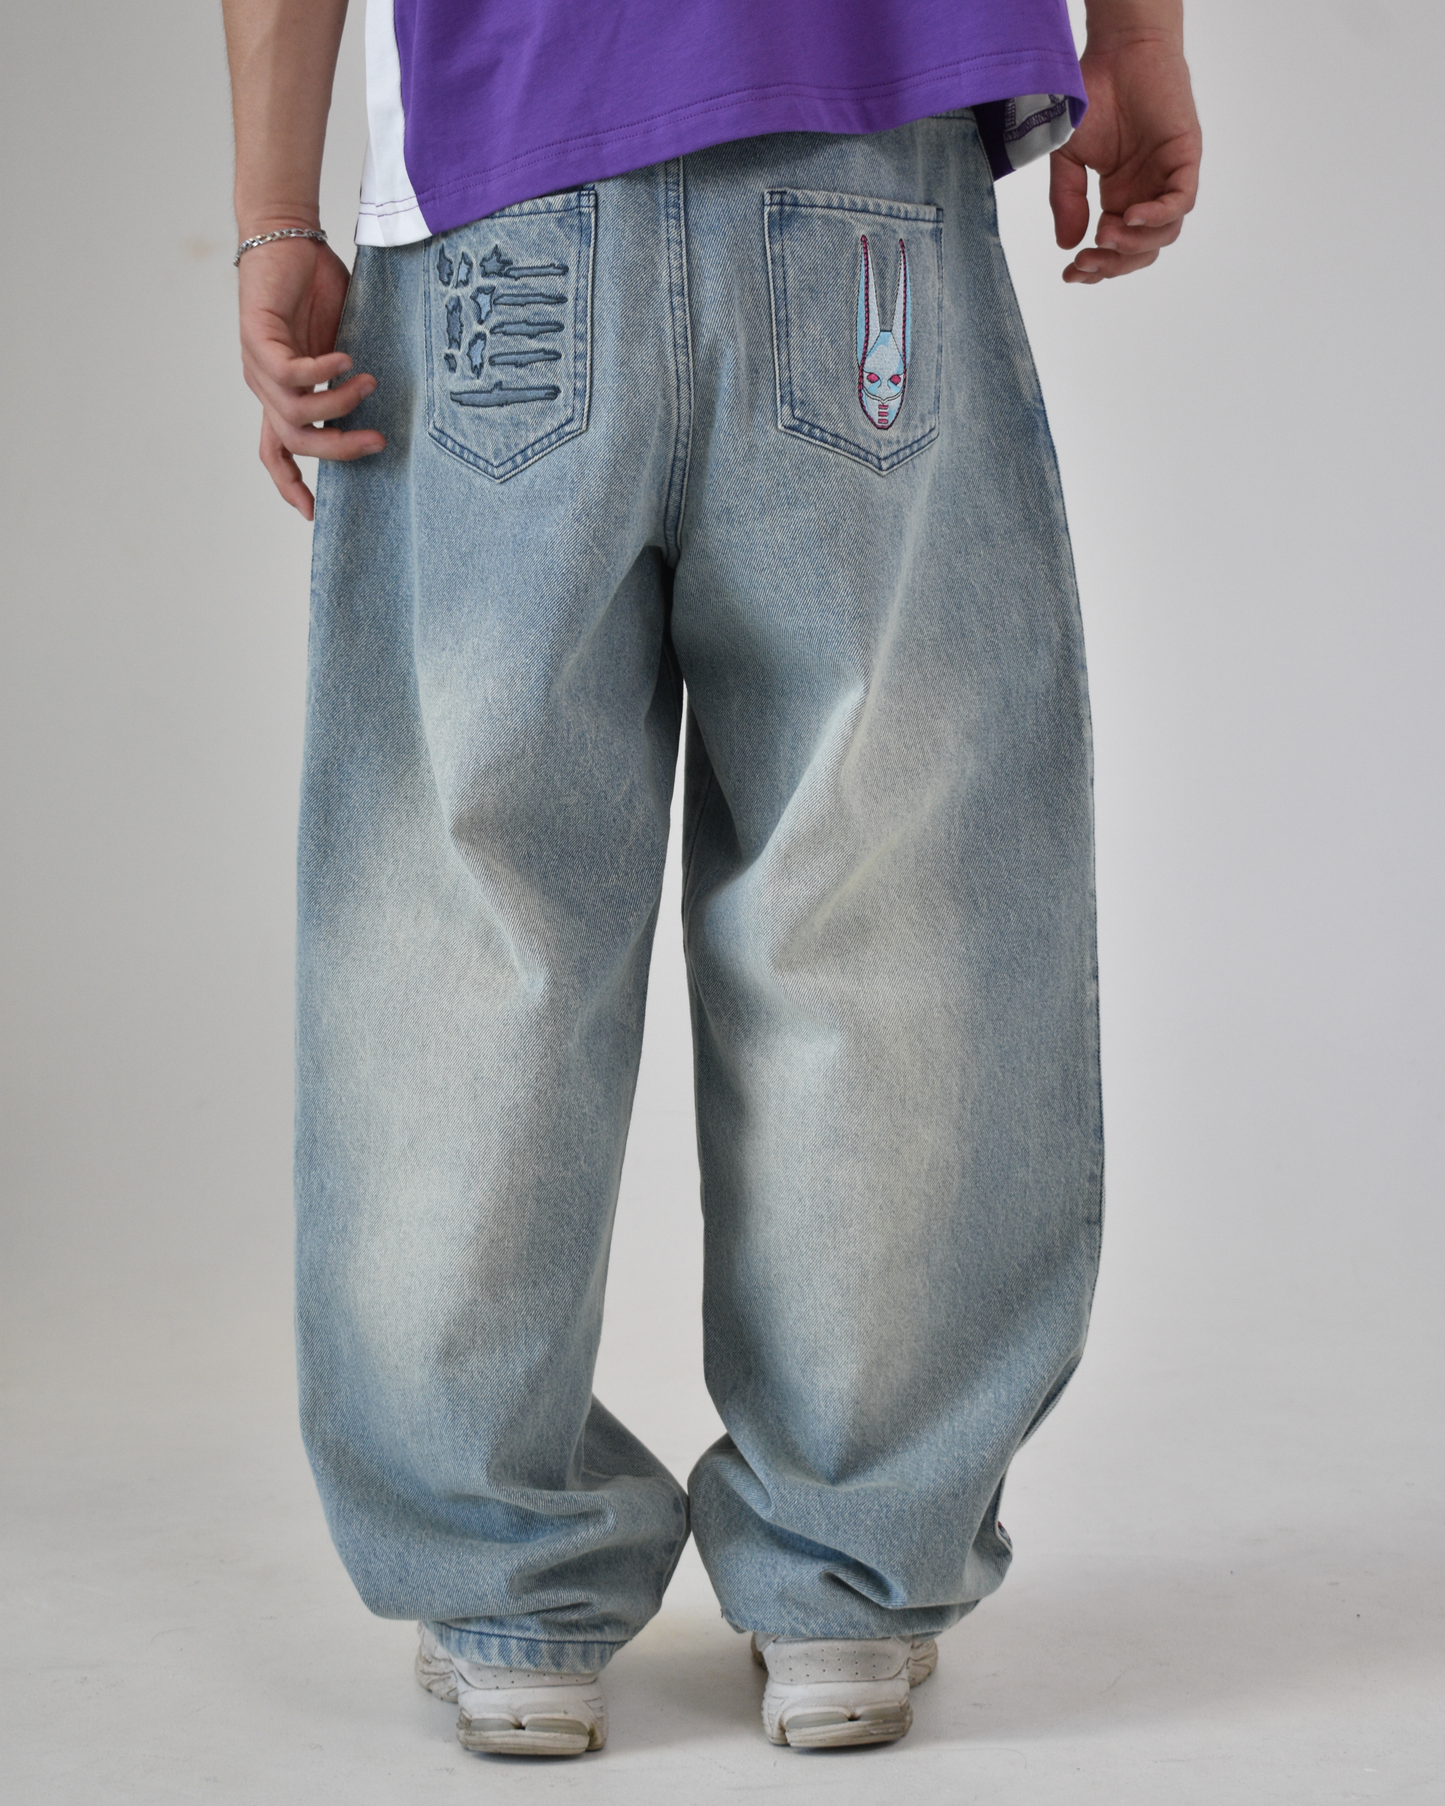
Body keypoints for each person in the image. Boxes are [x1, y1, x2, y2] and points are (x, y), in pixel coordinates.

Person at [223, 0, 1200, 1757]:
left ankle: (503, 1586)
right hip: (867, 155)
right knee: (885, 898)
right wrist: (1134, 32)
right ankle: (848, 1573)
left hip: (500, 178)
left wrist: (276, 214)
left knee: (471, 926)